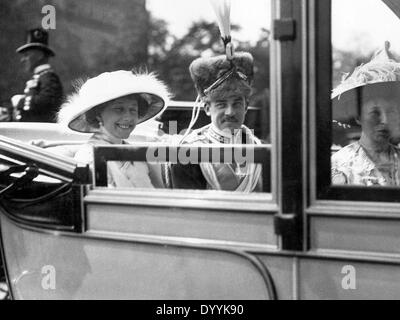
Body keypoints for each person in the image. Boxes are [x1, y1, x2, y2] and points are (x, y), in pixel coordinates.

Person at [58, 70, 171, 188]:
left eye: (133, 110)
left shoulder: (137, 154)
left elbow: (161, 194)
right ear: (97, 114)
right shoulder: (89, 158)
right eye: (119, 109)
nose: (128, 117)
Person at [170, 51, 263, 192]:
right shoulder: (187, 155)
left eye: (236, 104)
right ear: (207, 108)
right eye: (221, 104)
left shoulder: (259, 147)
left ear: (246, 106)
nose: (230, 112)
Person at [331, 41, 400, 186]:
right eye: (375, 113)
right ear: (358, 116)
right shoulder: (340, 166)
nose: (385, 121)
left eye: (391, 112)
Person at [12, 28, 63, 122]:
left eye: (26, 55)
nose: (23, 59)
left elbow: (47, 103)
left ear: (39, 55)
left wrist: (20, 101)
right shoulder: (41, 76)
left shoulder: (49, 77)